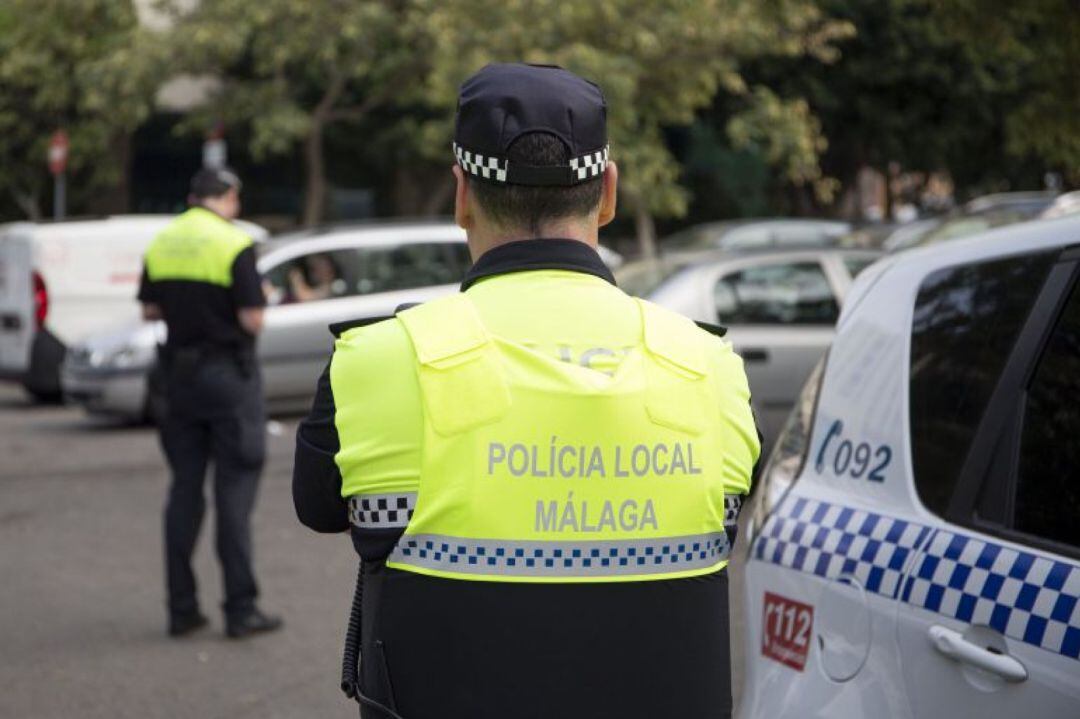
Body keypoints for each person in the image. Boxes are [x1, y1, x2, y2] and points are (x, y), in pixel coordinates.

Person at [292, 63, 759, 719]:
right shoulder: (709, 362)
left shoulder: (378, 357)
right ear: (608, 193)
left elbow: (318, 506)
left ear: (461, 195)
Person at [139, 167, 282, 639]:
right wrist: (259, 297)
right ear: (226, 198)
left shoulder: (163, 242)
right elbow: (253, 319)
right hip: (227, 378)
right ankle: (240, 610)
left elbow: (149, 309)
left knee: (184, 490)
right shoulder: (232, 243)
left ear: (190, 197)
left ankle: (181, 609)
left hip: (177, 378)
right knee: (234, 494)